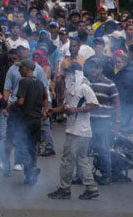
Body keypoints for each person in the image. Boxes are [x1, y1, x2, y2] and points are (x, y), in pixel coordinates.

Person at [47, 62, 100, 200]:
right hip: (78, 131)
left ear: (75, 74)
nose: (65, 77)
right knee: (82, 159)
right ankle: (91, 188)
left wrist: (76, 110)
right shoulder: (72, 89)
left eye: (68, 74)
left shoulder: (84, 87)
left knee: (67, 160)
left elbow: (94, 104)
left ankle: (65, 189)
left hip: (78, 131)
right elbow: (66, 107)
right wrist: (53, 110)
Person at [11, 59, 47, 186]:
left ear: (27, 68)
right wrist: (44, 112)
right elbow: (45, 99)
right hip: (37, 120)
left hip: (25, 120)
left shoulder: (23, 81)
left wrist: (11, 106)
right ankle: (29, 176)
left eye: (21, 68)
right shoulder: (40, 83)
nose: (19, 70)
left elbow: (20, 101)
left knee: (22, 146)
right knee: (32, 147)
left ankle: (31, 169)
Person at [85, 57, 121, 185]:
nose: (93, 70)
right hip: (87, 121)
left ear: (101, 69)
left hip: (103, 122)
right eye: (91, 67)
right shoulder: (86, 83)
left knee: (103, 149)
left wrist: (117, 121)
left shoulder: (109, 83)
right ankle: (84, 175)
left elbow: (117, 104)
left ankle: (106, 175)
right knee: (85, 149)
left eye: (96, 67)